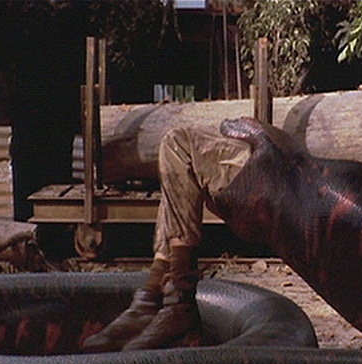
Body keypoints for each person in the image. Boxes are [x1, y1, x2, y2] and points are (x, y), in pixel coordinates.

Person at [82, 126, 252, 351]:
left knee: (179, 144)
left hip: (284, 165)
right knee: (182, 157)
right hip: (274, 150)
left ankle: (178, 300)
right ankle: (153, 298)